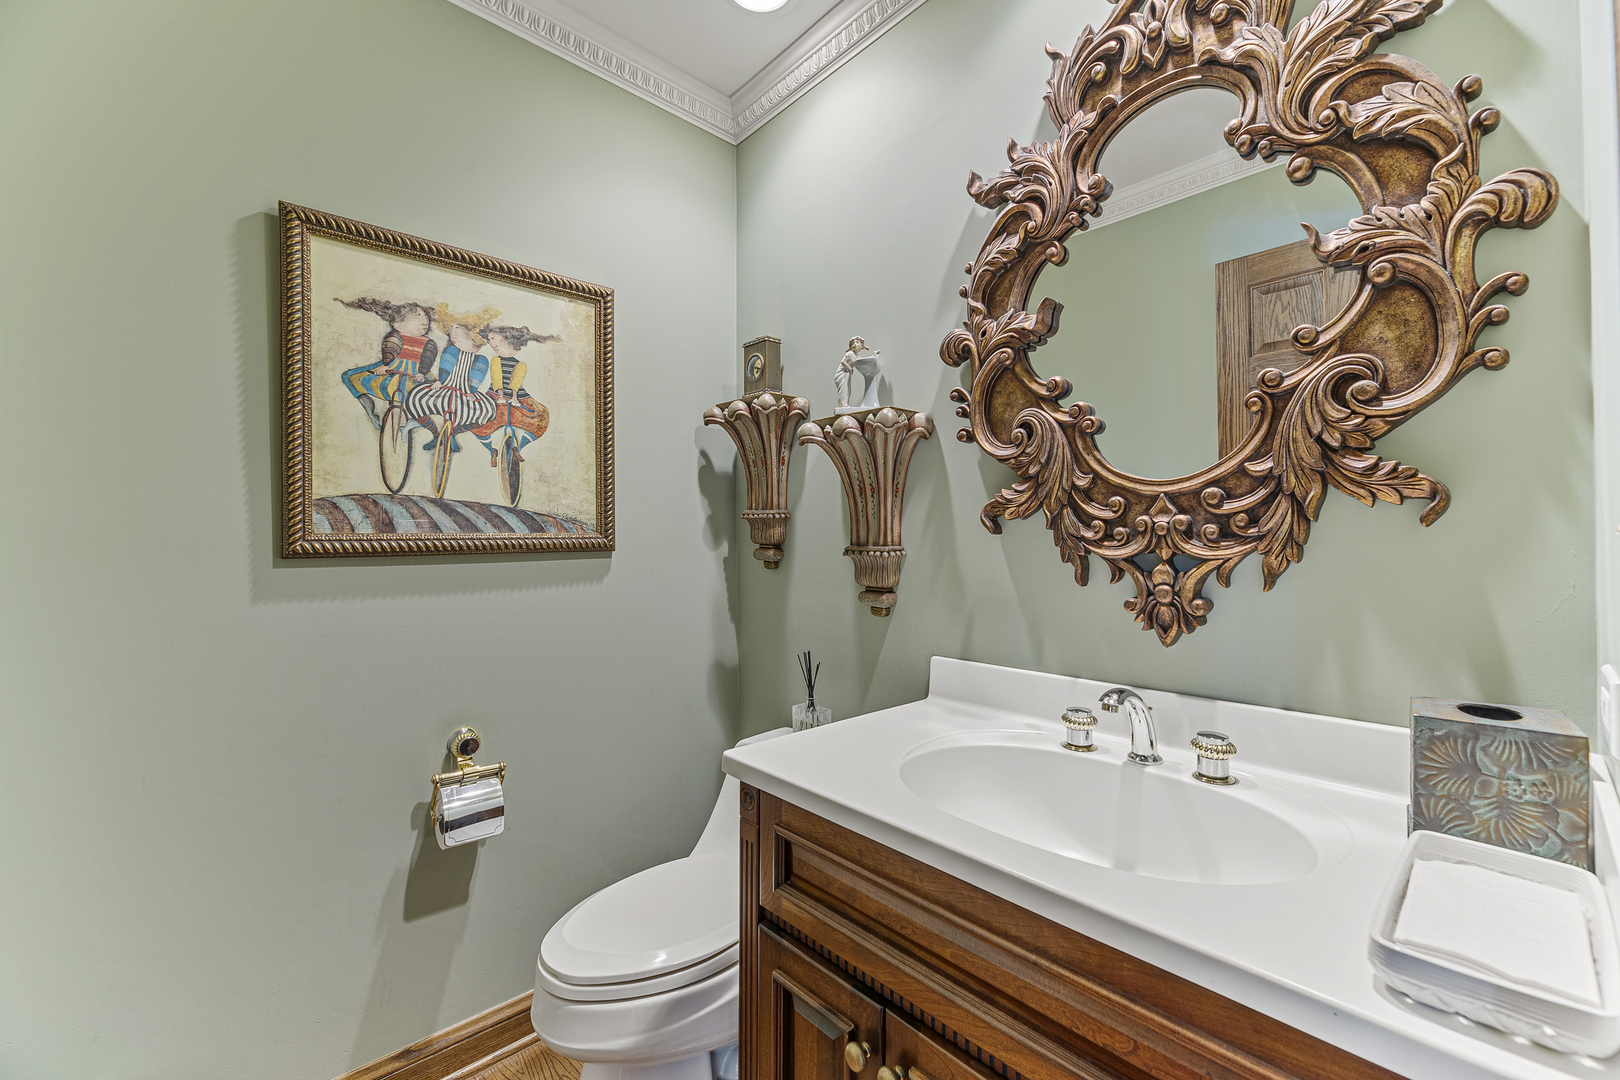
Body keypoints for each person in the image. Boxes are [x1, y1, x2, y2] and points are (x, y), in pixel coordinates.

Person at [336, 298, 438, 429]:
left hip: (417, 373)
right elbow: (389, 351)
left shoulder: (429, 343)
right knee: (349, 376)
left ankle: (431, 429)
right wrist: (386, 365)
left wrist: (422, 373)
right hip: (391, 367)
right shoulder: (394, 337)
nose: (425, 321)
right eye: (418, 316)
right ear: (396, 323)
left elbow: (427, 360)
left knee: (413, 399)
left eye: (425, 317)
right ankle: (368, 406)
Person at [407, 311, 497, 454]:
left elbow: (476, 376)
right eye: (451, 332)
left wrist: (471, 392)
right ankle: (436, 434)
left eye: (458, 331)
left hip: (464, 393)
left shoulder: (480, 359)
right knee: (415, 400)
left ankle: (453, 433)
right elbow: (445, 369)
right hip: (444, 387)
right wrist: (440, 382)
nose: (453, 336)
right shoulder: (451, 350)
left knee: (485, 412)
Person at [471, 325, 557, 465]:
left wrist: (515, 397)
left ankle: (518, 448)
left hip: (519, 399)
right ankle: (492, 451)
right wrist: (500, 396)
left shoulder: (521, 364)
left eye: (494, 338)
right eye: (489, 339)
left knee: (541, 417)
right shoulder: (495, 360)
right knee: (475, 421)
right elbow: (496, 377)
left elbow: (516, 380)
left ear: (508, 338)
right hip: (495, 397)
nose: (491, 343)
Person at [835, 336, 881, 410]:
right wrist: (849, 368)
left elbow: (865, 361)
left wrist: (874, 355)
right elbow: (843, 362)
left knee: (848, 391)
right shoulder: (850, 353)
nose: (854, 344)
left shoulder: (857, 356)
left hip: (847, 373)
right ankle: (842, 405)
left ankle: (844, 404)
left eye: (857, 342)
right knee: (844, 389)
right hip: (842, 373)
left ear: (861, 346)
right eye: (852, 343)